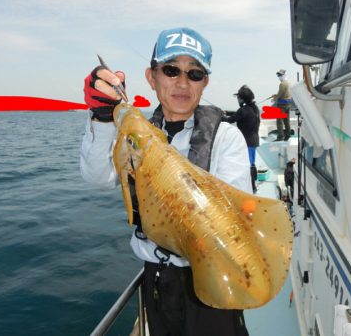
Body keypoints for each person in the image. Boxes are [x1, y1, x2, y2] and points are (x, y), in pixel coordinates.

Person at [81, 27, 251, 336]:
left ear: (205, 82)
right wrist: (103, 116)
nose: (182, 82)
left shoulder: (226, 137)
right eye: (171, 70)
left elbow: (234, 218)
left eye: (195, 73)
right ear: (152, 77)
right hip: (155, 279)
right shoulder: (136, 135)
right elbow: (97, 176)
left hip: (210, 281)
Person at [223, 85, 260, 193]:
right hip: (253, 141)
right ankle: (253, 186)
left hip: (247, 142)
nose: (238, 99)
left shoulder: (244, 110)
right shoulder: (254, 108)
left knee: (248, 165)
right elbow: (239, 114)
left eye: (239, 97)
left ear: (242, 99)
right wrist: (227, 112)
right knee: (251, 164)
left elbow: (230, 120)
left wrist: (220, 115)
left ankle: (251, 187)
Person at [272, 69, 293, 141]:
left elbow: (280, 94)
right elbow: (285, 93)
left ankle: (280, 137)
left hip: (282, 105)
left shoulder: (282, 84)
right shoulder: (288, 83)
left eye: (280, 75)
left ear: (284, 75)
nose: (279, 77)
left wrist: (275, 98)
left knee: (279, 121)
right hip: (288, 104)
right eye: (278, 75)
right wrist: (276, 95)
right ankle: (288, 135)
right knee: (286, 121)